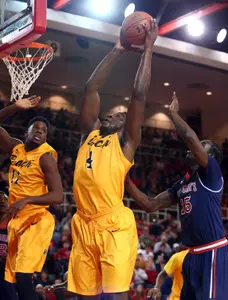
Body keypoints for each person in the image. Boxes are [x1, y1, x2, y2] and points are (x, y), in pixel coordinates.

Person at [67, 21, 158, 299]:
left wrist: (148, 50)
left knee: (115, 296)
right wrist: (117, 49)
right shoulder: (89, 133)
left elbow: (139, 95)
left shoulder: (126, 143)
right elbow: (91, 89)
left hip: (113, 226)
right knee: (84, 296)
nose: (113, 115)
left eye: (121, 115)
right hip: (83, 223)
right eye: (111, 113)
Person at [125, 92, 228, 300]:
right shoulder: (183, 183)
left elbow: (190, 139)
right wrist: (127, 181)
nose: (196, 146)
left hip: (214, 252)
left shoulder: (211, 174)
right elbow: (150, 205)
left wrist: (174, 115)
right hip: (191, 255)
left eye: (203, 145)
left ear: (209, 156)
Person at [0, 96, 63, 300]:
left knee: (22, 275)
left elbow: (58, 196)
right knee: (13, 278)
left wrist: (26, 200)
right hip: (17, 220)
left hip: (37, 219)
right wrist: (15, 107)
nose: (39, 131)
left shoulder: (46, 157)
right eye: (35, 128)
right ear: (26, 131)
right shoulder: (16, 148)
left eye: (43, 131)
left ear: (46, 138)